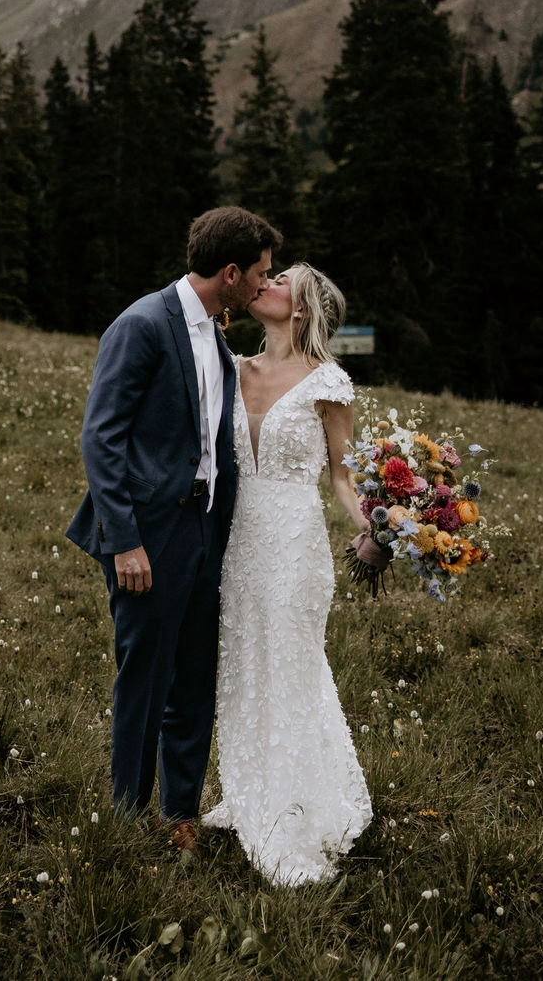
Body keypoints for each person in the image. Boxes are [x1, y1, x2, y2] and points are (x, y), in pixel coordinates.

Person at [66, 206, 278, 852]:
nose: (264, 287)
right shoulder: (142, 324)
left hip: (204, 531)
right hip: (148, 535)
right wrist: (125, 539)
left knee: (192, 674)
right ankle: (127, 819)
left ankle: (178, 812)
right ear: (231, 271)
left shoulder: (214, 331)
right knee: (145, 678)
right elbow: (100, 437)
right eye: (260, 276)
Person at [198, 264, 372, 885]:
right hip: (240, 542)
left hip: (296, 547)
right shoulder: (234, 368)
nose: (262, 284)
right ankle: (249, 792)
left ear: (299, 311)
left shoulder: (329, 381)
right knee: (245, 662)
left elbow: (343, 479)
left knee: (292, 667)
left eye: (279, 283)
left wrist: (375, 527)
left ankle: (294, 811)